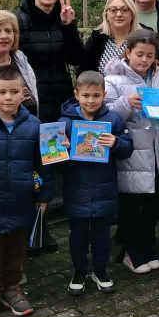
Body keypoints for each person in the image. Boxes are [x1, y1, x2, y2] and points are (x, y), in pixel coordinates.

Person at [0, 66, 54, 317]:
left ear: (23, 93)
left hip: (21, 200)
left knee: (17, 250)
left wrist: (44, 196)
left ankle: (12, 288)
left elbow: (44, 163)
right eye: (2, 92)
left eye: (14, 92)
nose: (8, 97)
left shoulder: (35, 125)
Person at [16, 0, 82, 253]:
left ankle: (42, 228)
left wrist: (69, 26)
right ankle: (32, 230)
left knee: (53, 160)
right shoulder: (19, 20)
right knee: (33, 165)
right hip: (32, 104)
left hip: (59, 103)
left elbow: (76, 58)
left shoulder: (61, 19)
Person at [59, 72, 134, 295]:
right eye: (85, 95)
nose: (91, 100)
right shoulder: (65, 122)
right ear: (76, 94)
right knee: (78, 236)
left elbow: (128, 148)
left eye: (96, 95)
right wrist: (61, 148)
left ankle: (100, 271)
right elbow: (52, 157)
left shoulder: (114, 120)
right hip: (76, 189)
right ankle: (79, 271)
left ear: (104, 94)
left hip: (105, 190)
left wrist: (116, 142)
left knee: (102, 236)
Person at [104, 30, 159, 273]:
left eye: (149, 55)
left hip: (155, 151)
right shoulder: (112, 80)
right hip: (131, 153)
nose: (144, 60)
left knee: (151, 204)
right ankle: (131, 253)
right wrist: (125, 104)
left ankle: (147, 249)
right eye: (139, 54)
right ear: (128, 52)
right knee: (132, 207)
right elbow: (105, 115)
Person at [80, 0, 142, 75]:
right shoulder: (97, 39)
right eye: (113, 10)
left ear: (132, 14)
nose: (119, 14)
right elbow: (84, 71)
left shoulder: (143, 39)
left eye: (124, 10)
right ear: (106, 15)